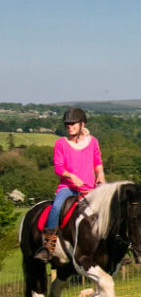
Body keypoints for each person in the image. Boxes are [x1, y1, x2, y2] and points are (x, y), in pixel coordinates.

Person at [34, 107, 106, 260]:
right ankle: (48, 246)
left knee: (108, 209)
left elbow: (97, 161)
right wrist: (71, 176)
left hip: (90, 188)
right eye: (67, 124)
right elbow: (58, 168)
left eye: (73, 123)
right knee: (56, 208)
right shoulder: (61, 143)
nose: (69, 126)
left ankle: (111, 246)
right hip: (68, 188)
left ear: (82, 124)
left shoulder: (92, 142)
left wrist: (100, 174)